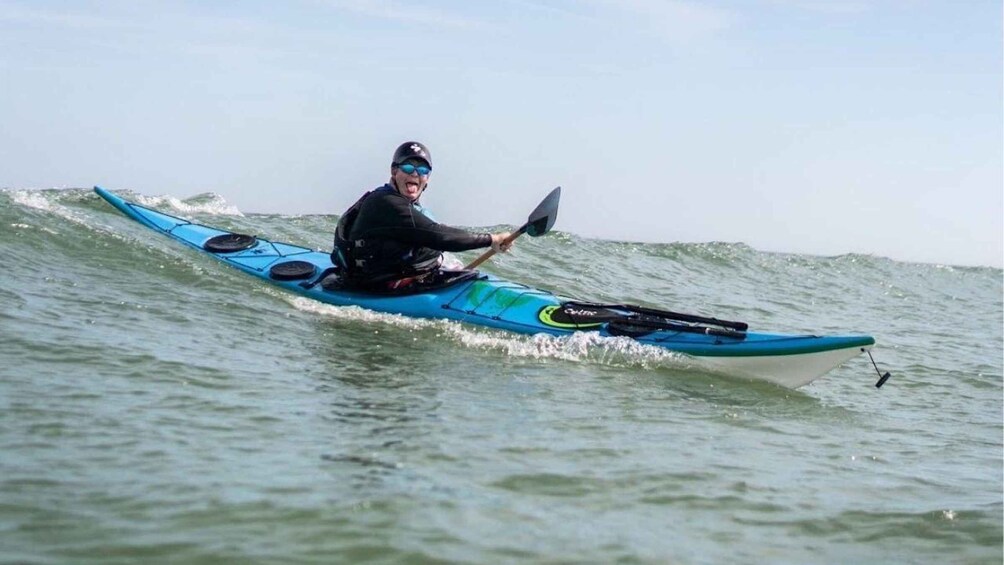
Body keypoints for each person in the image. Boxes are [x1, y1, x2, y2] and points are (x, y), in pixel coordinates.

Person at [332, 141, 511, 290]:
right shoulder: (386, 202)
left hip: (391, 275)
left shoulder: (408, 206)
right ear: (394, 171)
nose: (415, 173)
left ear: (428, 178)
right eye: (408, 167)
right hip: (374, 285)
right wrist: (492, 239)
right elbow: (440, 237)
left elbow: (434, 233)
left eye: (423, 170)